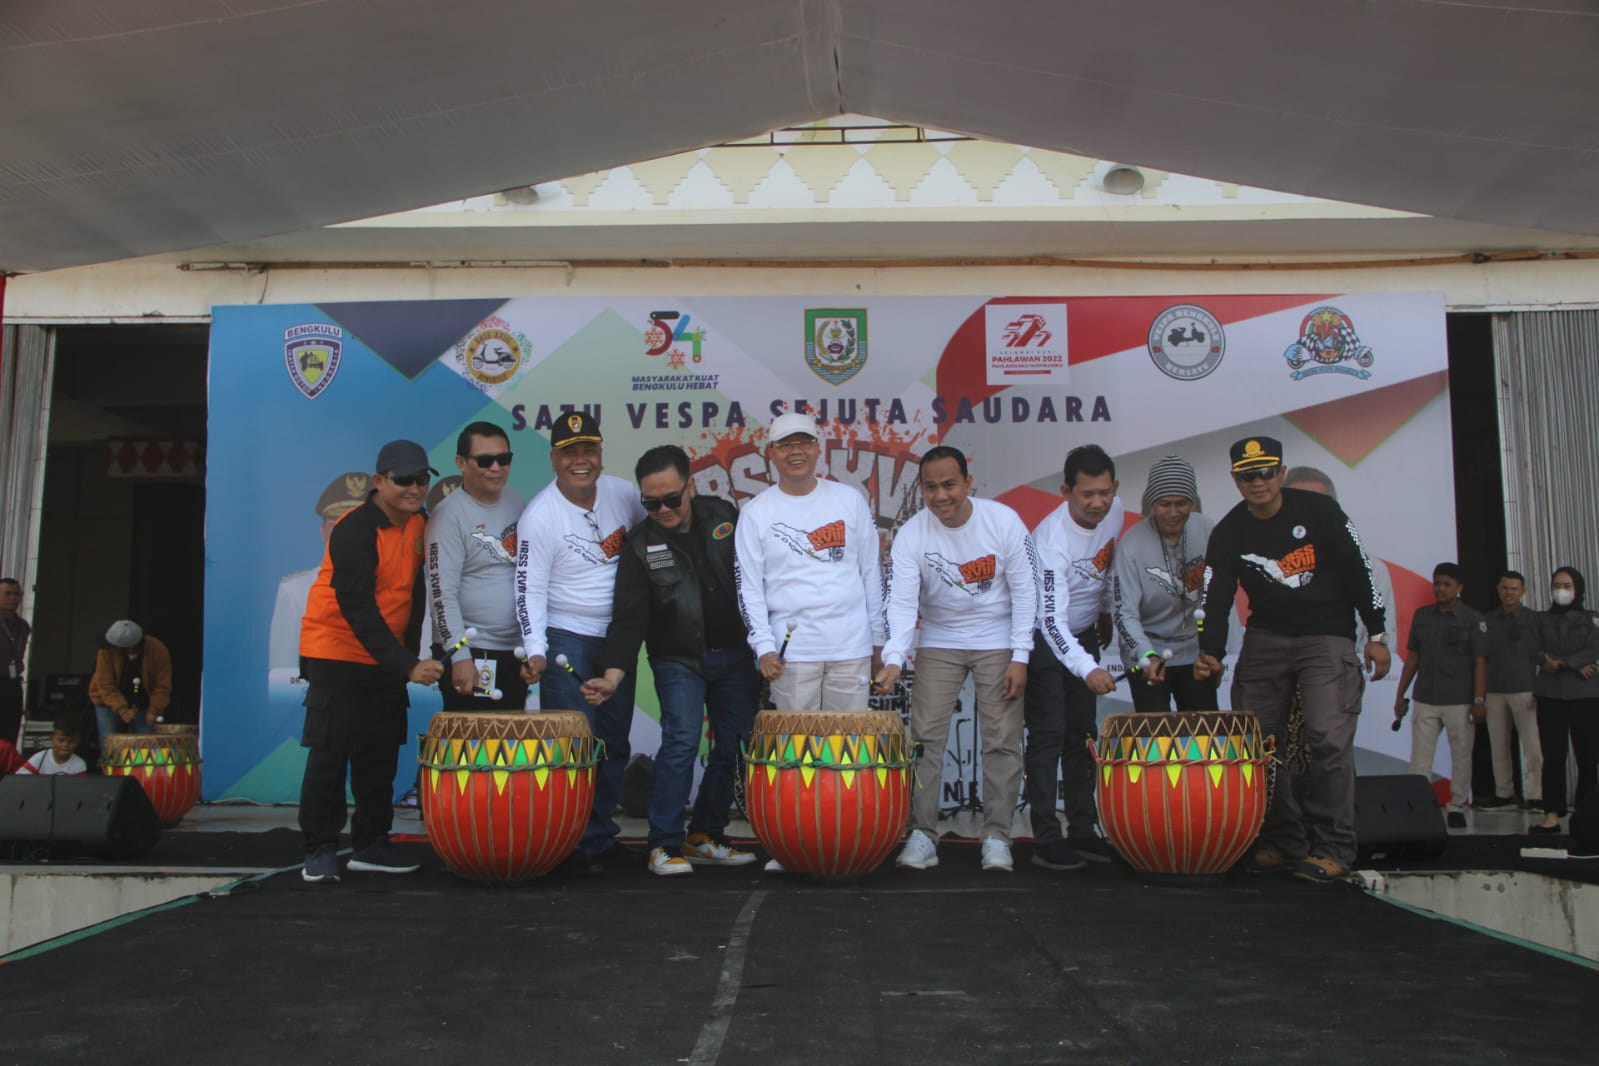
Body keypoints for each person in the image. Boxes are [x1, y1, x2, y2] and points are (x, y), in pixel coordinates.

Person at [1195, 435, 1390, 884]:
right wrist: (1211, 651)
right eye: (1248, 475)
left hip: (1327, 636)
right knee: (1258, 742)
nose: (1258, 482)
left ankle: (1334, 847)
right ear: (1236, 480)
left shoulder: (1320, 512)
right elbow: (1215, 596)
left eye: (1266, 472)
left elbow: (1359, 569)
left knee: (1328, 738)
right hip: (1266, 636)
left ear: (1281, 473)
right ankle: (1284, 841)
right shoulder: (1229, 530)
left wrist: (1377, 633)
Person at [585, 445, 758, 876]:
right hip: (678, 660)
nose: (661, 509)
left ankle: (705, 834)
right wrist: (612, 676)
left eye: (671, 499)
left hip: (737, 655)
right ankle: (663, 843)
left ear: (691, 487)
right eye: (651, 503)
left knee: (735, 745)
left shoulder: (724, 516)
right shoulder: (640, 546)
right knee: (680, 742)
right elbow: (628, 619)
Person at [877, 446, 1037, 873]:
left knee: (1002, 739)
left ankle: (997, 836)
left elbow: (1026, 591)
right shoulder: (912, 534)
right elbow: (901, 602)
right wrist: (894, 656)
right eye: (930, 487)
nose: (940, 495)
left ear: (969, 483)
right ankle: (922, 835)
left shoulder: (1002, 521)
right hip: (940, 640)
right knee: (924, 739)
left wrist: (1020, 655)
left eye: (949, 484)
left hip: (998, 638)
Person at [296, 439, 444, 883]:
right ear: (379, 481)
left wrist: (411, 656)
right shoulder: (354, 529)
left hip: (386, 656)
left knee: (379, 751)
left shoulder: (420, 523)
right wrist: (406, 665)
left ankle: (371, 843)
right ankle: (319, 848)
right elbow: (357, 608)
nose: (414, 488)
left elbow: (417, 593)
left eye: (421, 479)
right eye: (403, 480)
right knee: (330, 752)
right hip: (336, 651)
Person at [514, 411, 647, 870]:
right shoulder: (540, 515)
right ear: (554, 459)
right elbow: (528, 588)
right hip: (566, 639)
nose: (581, 460)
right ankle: (567, 840)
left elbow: (652, 538)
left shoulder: (623, 494)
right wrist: (536, 649)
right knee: (573, 746)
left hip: (617, 641)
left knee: (614, 742)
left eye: (589, 449)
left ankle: (599, 836)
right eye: (570, 452)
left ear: (601, 453)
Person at [734, 411, 885, 712]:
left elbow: (872, 572)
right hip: (791, 654)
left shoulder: (850, 500)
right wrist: (764, 647)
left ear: (818, 449)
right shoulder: (755, 513)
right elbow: (748, 588)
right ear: (771, 453)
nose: (796, 451)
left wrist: (879, 639)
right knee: (797, 741)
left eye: (804, 442)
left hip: (851, 647)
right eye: (785, 445)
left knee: (847, 740)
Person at [1023, 444, 1122, 871]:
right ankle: (1046, 838)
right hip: (1045, 637)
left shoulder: (1114, 514)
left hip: (1083, 633)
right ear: (1066, 492)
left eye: (1105, 492)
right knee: (1048, 735)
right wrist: (1088, 668)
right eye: (1087, 495)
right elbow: (1050, 620)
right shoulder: (1051, 539)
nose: (1098, 503)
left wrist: (1104, 609)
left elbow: (1106, 568)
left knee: (1082, 736)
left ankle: (1083, 830)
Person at [426, 421, 528, 710]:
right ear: (461, 462)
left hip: (514, 651)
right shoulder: (448, 516)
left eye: (504, 459)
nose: (496, 468)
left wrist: (530, 647)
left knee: (511, 738)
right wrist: (460, 656)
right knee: (474, 739)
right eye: (485, 461)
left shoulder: (516, 501)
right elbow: (441, 593)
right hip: (472, 652)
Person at [1111, 456, 1216, 712]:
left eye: (1181, 503)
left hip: (1195, 653)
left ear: (1192, 503)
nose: (1173, 513)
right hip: (1149, 651)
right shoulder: (1131, 545)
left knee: (1204, 733)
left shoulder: (1207, 529)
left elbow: (1220, 596)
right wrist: (1146, 654)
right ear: (1152, 504)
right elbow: (1125, 613)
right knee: (1156, 734)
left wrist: (1214, 650)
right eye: (1164, 504)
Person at [1391, 562, 1488, 828]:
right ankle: (1418, 806)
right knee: (1420, 757)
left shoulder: (1473, 619)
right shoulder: (1422, 616)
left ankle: (1456, 807)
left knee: (1461, 756)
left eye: (1447, 584)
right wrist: (1400, 695)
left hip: (1460, 699)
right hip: (1425, 697)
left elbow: (1480, 662)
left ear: (1459, 588)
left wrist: (1479, 699)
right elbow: (1413, 658)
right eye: (1437, 583)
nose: (1441, 589)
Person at [269, 471, 371, 677]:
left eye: (357, 524)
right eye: (338, 524)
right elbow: (283, 679)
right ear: (323, 530)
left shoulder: (401, 587)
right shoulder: (295, 593)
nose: (349, 534)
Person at [1529, 567, 1599, 836]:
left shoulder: (1591, 618)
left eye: (1567, 585)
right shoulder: (1540, 618)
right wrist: (1573, 664)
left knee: (1587, 758)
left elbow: (1593, 648)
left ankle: (1585, 815)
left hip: (1585, 695)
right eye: (1557, 585)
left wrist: (1562, 663)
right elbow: (1533, 649)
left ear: (1577, 588)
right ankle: (1552, 815)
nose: (1561, 590)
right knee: (1553, 757)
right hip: (1551, 695)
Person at [1481, 570, 1542, 811]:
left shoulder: (1533, 619)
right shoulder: (1488, 619)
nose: (1509, 593)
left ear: (1523, 591)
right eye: (1505, 588)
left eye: (1514, 589)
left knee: (1533, 745)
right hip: (1494, 690)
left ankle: (1537, 794)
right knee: (1498, 744)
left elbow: (1542, 653)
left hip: (1524, 689)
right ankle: (1504, 793)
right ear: (1499, 590)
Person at [88, 621, 173, 751]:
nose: (111, 648)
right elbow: (104, 684)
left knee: (146, 748)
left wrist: (154, 710)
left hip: (143, 702)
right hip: (107, 701)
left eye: (115, 646)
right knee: (110, 746)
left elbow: (162, 686)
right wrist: (122, 709)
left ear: (130, 646)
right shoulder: (106, 650)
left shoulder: (158, 650)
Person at [0, 577, 28, 746]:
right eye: (8, 593)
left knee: (9, 735)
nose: (13, 598)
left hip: (12, 684)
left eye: (17, 594)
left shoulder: (23, 626)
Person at [23, 719, 87, 776]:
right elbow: (22, 779)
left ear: (77, 742)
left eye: (71, 741)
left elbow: (81, 785)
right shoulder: (39, 758)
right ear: (52, 739)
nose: (65, 745)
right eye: (61, 740)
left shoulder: (79, 764)